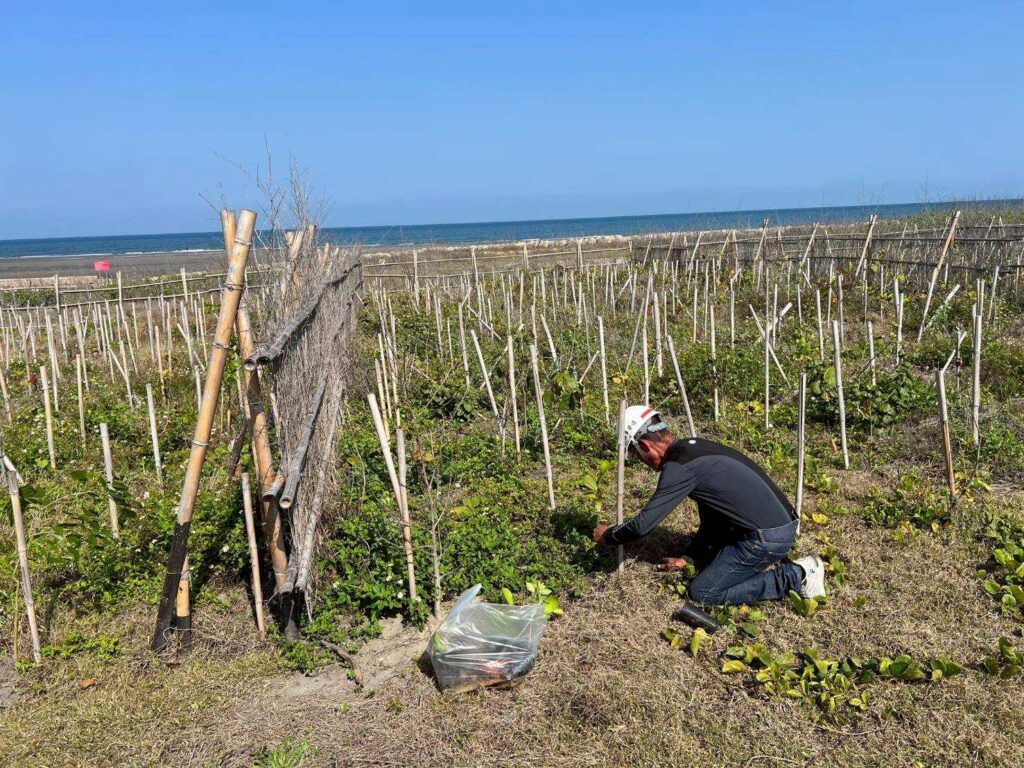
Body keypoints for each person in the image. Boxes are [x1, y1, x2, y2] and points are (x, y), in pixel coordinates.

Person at [593, 405, 824, 606]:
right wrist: (691, 558)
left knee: (703, 593)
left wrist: (609, 536)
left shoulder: (678, 468)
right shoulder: (694, 448)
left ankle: (797, 575)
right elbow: (714, 516)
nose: (640, 462)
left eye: (635, 455)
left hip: (768, 538)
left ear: (644, 445)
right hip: (781, 524)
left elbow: (642, 525)